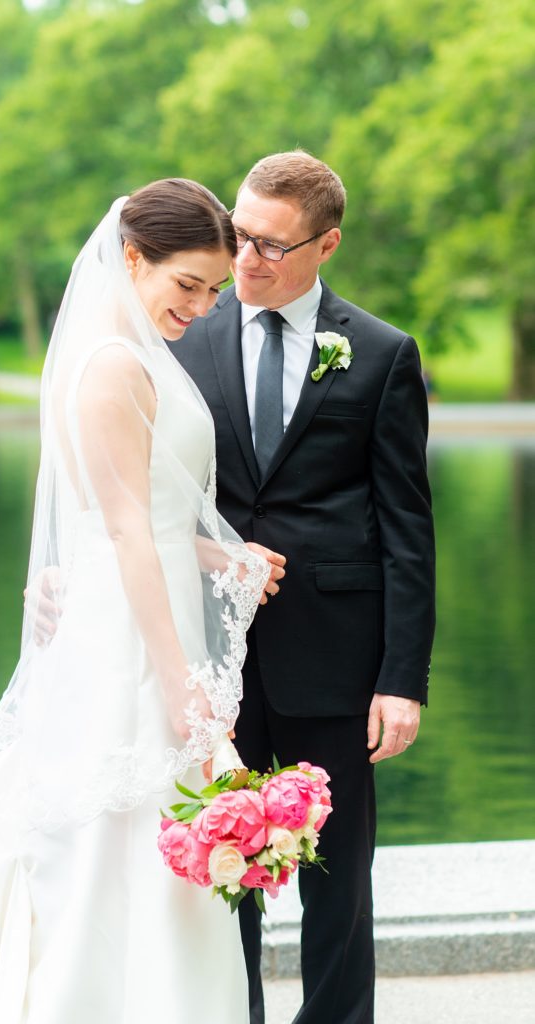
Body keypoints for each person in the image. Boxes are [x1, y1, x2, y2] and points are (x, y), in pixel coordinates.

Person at [0, 179, 281, 1024]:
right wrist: (177, 679)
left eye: (212, 290)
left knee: (156, 831)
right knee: (107, 836)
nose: (202, 307)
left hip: (150, 600)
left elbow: (146, 516)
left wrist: (227, 557)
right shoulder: (107, 369)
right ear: (133, 259)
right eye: (186, 286)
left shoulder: (142, 356)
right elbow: (125, 534)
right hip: (127, 636)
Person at [172, 150, 436, 1024]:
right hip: (212, 657)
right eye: (238, 235)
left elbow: (406, 528)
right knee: (221, 869)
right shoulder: (184, 338)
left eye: (270, 246)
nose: (246, 259)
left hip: (337, 659)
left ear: (324, 246)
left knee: (338, 886)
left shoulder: (382, 355)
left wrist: (401, 679)